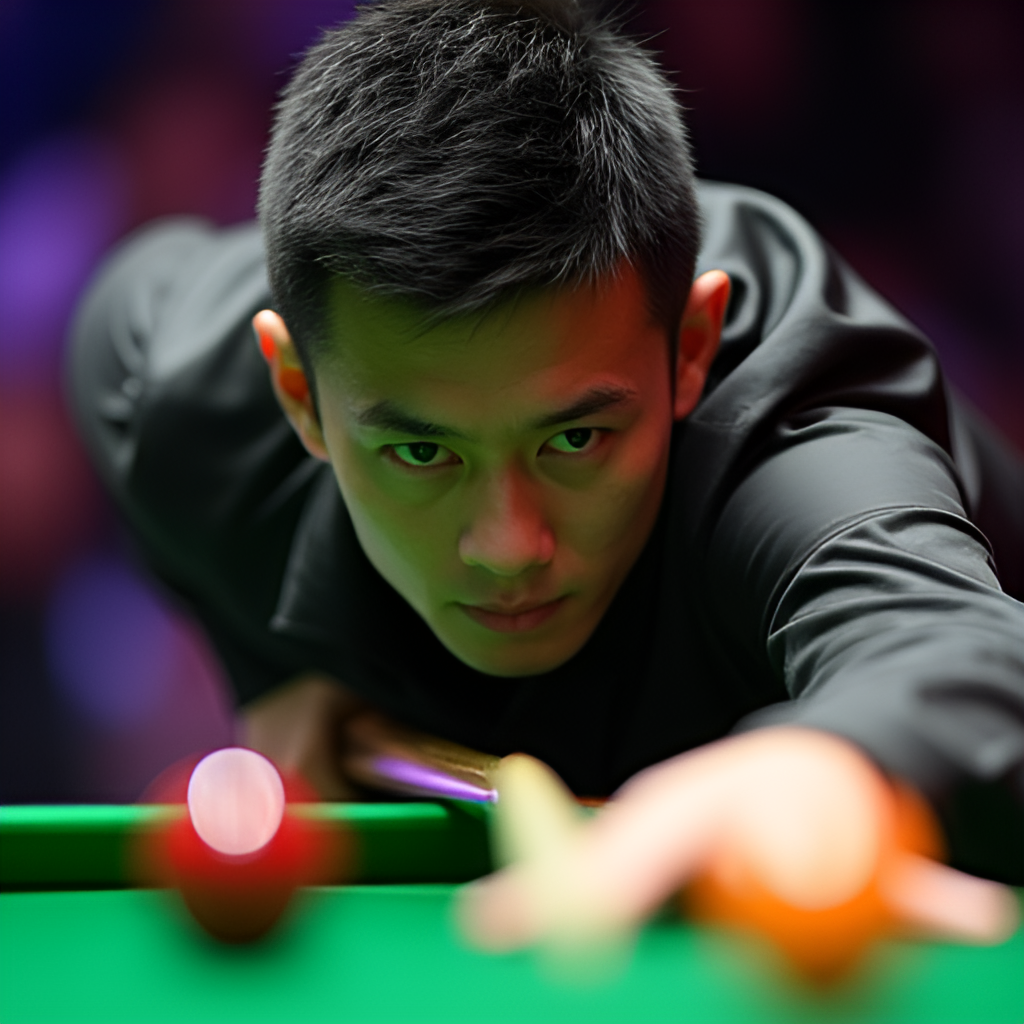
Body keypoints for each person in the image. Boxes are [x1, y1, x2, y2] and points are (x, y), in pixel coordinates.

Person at [70, 0, 1023, 951]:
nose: (508, 547)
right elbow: (109, 331)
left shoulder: (793, 424)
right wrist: (277, 670)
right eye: (421, 453)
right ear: (296, 393)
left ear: (689, 348)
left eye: (574, 441)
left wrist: (825, 758)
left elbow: (956, 644)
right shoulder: (194, 391)